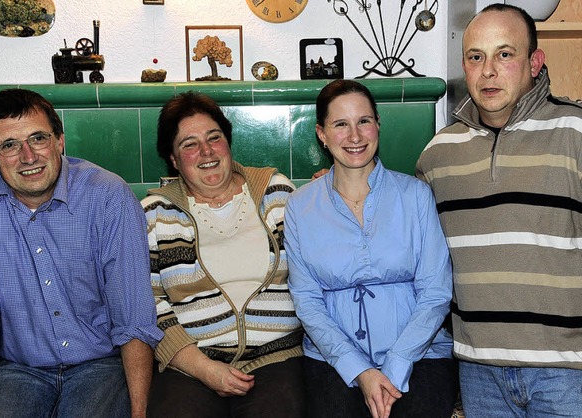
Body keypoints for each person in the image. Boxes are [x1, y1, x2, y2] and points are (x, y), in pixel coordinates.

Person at [0, 88, 163, 418]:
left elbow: (133, 318)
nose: (28, 156)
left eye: (38, 138)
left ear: (59, 140)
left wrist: (139, 412)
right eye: (9, 145)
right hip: (18, 369)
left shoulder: (108, 197)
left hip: (101, 366)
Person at [416, 4, 582, 417]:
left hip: (567, 373)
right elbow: (411, 247)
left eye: (505, 54)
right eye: (476, 57)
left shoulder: (575, 132)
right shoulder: (437, 155)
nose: (488, 70)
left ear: (534, 62)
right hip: (478, 372)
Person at [284, 79, 457, 418]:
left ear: (377, 123)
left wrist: (397, 363)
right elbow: (307, 302)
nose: (355, 136)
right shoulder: (299, 206)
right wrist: (359, 370)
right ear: (321, 133)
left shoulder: (416, 196)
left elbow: (436, 293)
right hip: (334, 360)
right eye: (340, 124)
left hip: (420, 354)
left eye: (363, 121)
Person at [141, 91, 306, 417]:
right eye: (189, 144)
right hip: (191, 363)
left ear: (228, 143)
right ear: (173, 160)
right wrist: (203, 368)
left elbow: (315, 265)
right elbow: (149, 305)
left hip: (277, 357)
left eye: (214, 138)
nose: (206, 151)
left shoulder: (276, 192)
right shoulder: (153, 214)